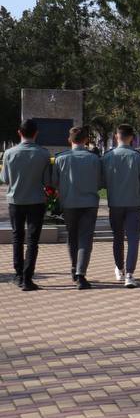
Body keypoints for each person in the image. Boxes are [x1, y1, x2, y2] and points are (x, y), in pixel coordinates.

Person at [2, 119, 53, 290]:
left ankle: (18, 274)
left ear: (19, 133)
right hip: (36, 201)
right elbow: (47, 181)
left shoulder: (9, 153)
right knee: (33, 240)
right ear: (36, 133)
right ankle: (27, 277)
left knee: (17, 237)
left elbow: (5, 179)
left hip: (15, 200)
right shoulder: (44, 154)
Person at [55, 126, 105, 289]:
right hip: (89, 203)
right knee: (85, 239)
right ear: (86, 140)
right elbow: (100, 182)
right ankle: (80, 274)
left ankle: (73, 269)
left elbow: (54, 182)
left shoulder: (61, 159)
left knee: (72, 237)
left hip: (69, 203)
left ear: (69, 140)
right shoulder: (95, 159)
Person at [102, 124, 140, 289]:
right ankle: (130, 274)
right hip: (134, 203)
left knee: (117, 238)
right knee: (133, 239)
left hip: (115, 203)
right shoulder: (138, 157)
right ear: (132, 138)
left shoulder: (107, 157)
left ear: (116, 136)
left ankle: (120, 269)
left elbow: (102, 181)